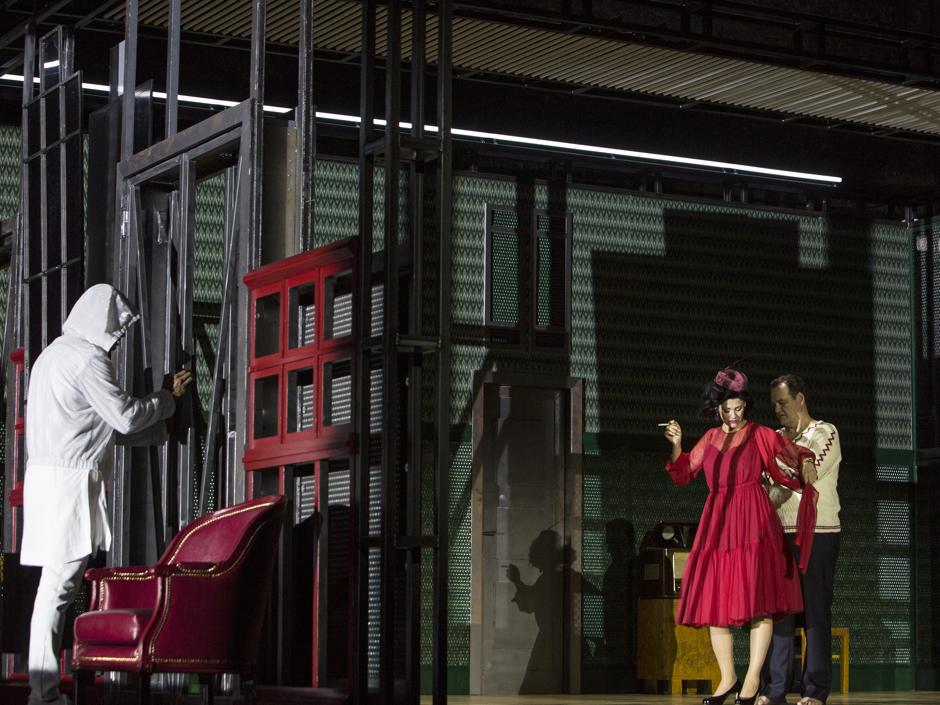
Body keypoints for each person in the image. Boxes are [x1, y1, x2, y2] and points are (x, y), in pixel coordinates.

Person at [21, 284, 192, 705]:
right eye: (117, 331)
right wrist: (167, 401)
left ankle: (40, 690)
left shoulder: (51, 356)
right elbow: (124, 417)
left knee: (53, 588)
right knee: (57, 591)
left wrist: (159, 430)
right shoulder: (87, 359)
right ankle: (41, 695)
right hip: (69, 489)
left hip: (48, 482)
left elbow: (96, 431)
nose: (116, 340)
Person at [662, 368, 818, 705]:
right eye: (726, 410)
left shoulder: (759, 433)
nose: (733, 416)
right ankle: (727, 678)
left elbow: (791, 452)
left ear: (745, 407)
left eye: (738, 409)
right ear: (716, 408)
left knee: (757, 602)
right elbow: (684, 471)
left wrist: (806, 461)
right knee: (716, 605)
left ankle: (750, 682)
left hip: (753, 521)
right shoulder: (710, 438)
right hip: (718, 520)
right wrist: (676, 445)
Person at [759, 375, 841, 705]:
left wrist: (779, 473)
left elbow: (806, 475)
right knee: (780, 613)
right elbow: (766, 481)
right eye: (774, 405)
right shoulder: (775, 438)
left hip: (818, 534)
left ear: (800, 399)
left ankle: (815, 690)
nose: (778, 409)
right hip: (779, 534)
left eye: (783, 402)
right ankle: (775, 689)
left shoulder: (826, 432)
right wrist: (775, 475)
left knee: (816, 613)